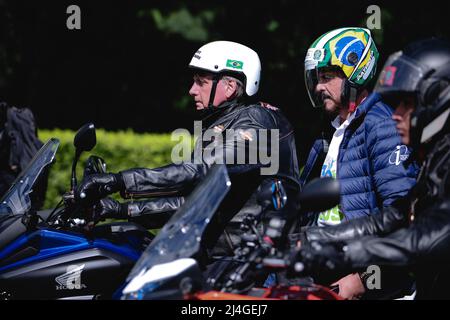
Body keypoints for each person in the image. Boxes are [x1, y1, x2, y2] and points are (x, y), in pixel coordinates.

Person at [75, 40, 301, 258]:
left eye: (200, 82)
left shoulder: (258, 122)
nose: (192, 90)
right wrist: (119, 210)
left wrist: (117, 181)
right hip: (226, 254)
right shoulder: (222, 124)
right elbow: (192, 202)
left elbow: (199, 171)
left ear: (230, 86)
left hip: (260, 264)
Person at [292, 38, 450, 300]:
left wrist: (351, 259)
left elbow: (425, 238)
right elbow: (393, 216)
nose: (396, 114)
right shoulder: (437, 162)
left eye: (406, 104)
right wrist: (312, 239)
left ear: (438, 98)